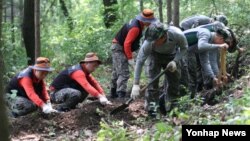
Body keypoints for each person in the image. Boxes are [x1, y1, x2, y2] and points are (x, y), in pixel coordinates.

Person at [130, 22, 188, 117]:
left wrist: (175, 61)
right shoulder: (148, 43)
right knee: (152, 84)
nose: (153, 42)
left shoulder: (177, 34)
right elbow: (140, 61)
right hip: (154, 56)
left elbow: (184, 48)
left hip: (172, 56)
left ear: (164, 36)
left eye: (155, 40)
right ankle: (152, 111)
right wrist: (135, 84)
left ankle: (172, 110)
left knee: (174, 83)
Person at [110, 9, 157, 98]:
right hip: (119, 48)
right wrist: (130, 59)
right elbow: (127, 44)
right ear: (145, 20)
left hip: (118, 46)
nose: (150, 23)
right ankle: (121, 95)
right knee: (123, 72)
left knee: (117, 71)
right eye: (149, 21)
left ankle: (113, 93)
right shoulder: (135, 28)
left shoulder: (138, 23)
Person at [184, 27, 231, 97]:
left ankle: (191, 99)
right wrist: (219, 45)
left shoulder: (208, 43)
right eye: (223, 42)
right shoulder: (205, 33)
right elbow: (201, 46)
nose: (223, 44)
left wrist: (213, 77)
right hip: (174, 49)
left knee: (190, 77)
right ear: (221, 38)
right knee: (186, 77)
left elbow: (205, 63)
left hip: (183, 51)